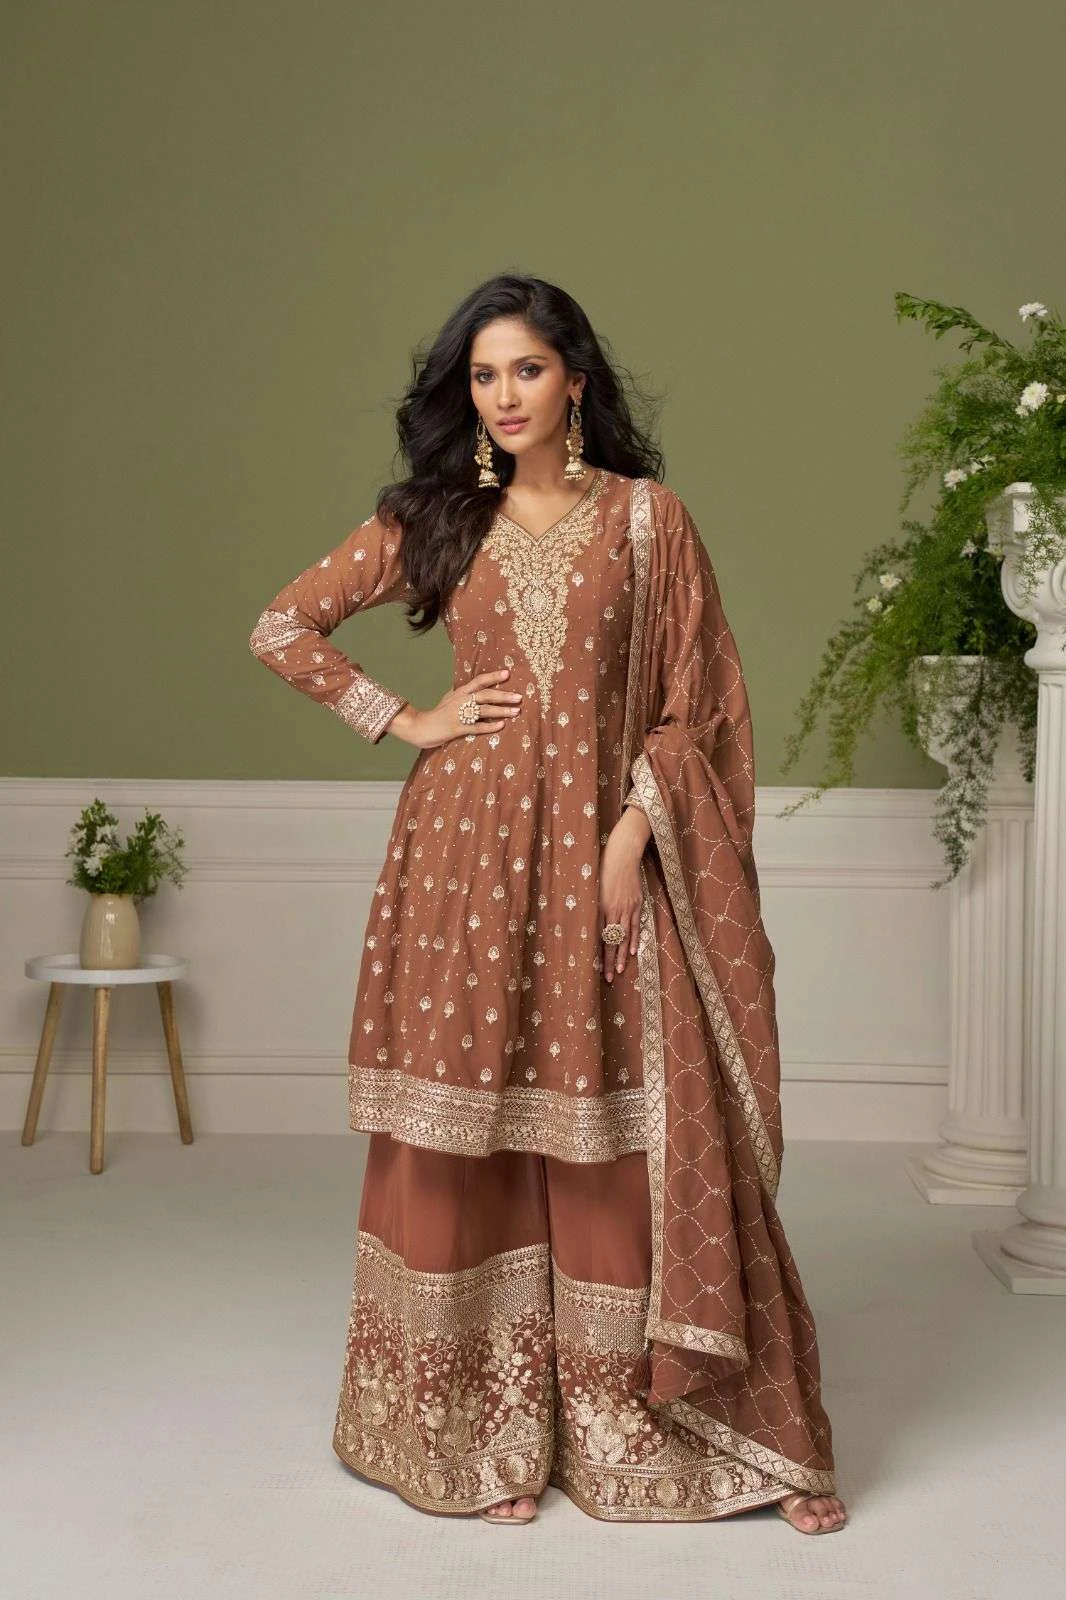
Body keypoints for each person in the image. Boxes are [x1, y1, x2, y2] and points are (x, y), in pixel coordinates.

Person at [249, 273, 846, 1534]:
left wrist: (634, 832)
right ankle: (479, 1428)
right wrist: (408, 717)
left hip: (599, 857)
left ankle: (647, 1418)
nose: (503, 395)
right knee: (464, 1129)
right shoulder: (432, 518)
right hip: (462, 863)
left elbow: (699, 702)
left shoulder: (647, 521)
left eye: (526, 368)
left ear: (576, 377)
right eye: (482, 375)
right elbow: (283, 626)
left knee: (609, 1126)